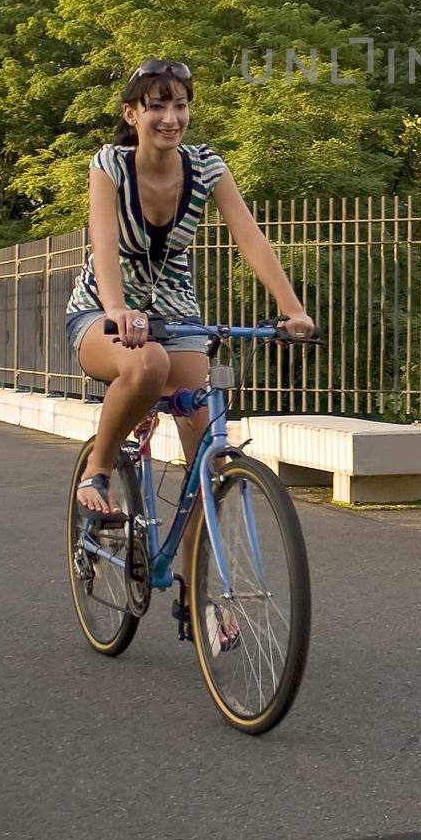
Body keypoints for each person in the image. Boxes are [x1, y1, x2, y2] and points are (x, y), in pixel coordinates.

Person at [64, 58, 316, 629]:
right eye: (156, 105)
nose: (171, 117)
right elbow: (104, 246)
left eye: (180, 105)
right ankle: (98, 470)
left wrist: (291, 308)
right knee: (146, 364)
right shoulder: (111, 165)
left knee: (207, 449)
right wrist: (116, 309)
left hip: (178, 311)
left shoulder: (206, 167)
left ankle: (197, 594)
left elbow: (250, 238)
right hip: (103, 311)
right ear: (132, 114)